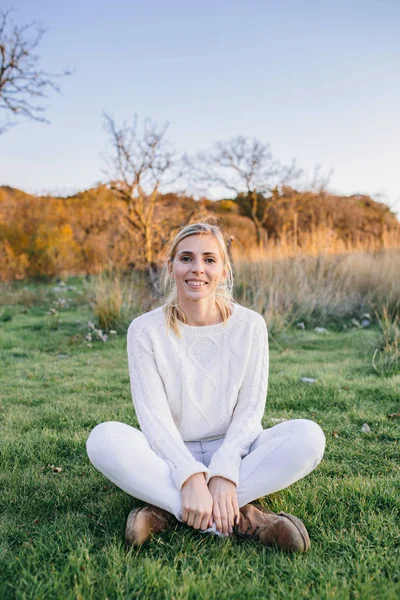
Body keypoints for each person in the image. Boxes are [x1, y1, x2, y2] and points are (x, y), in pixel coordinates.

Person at [86, 221, 326, 552]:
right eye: (186, 258)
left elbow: (250, 411)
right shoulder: (144, 331)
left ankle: (167, 510)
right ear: (171, 268)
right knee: (102, 439)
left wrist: (225, 473)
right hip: (169, 454)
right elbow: (153, 418)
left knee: (309, 437)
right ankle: (247, 518)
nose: (197, 269)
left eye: (209, 260)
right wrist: (189, 476)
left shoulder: (250, 326)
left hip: (238, 451)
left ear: (224, 271)